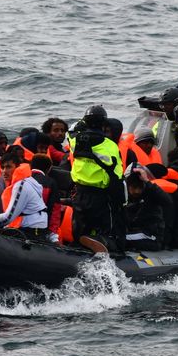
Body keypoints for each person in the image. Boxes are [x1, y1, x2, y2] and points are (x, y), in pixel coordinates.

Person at [68, 105, 125, 252]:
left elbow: (72, 131)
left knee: (81, 228)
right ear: (104, 124)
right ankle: (102, 242)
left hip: (79, 194)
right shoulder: (110, 145)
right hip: (100, 196)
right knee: (109, 233)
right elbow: (118, 174)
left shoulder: (74, 141)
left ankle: (82, 243)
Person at [0, 151, 49, 239]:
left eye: (8, 167)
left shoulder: (21, 185)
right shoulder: (27, 181)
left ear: (17, 167)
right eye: (2, 167)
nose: (4, 171)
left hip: (32, 230)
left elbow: (7, 218)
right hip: (33, 227)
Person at [123, 167, 173, 251]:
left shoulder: (151, 193)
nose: (137, 191)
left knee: (119, 239)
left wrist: (147, 181)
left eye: (140, 187)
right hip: (138, 234)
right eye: (134, 187)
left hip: (151, 237)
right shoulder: (125, 196)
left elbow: (168, 201)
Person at [30, 153, 63, 243]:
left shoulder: (19, 178)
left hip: (16, 229)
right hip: (38, 232)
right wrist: (53, 236)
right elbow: (55, 210)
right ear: (48, 169)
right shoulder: (51, 183)